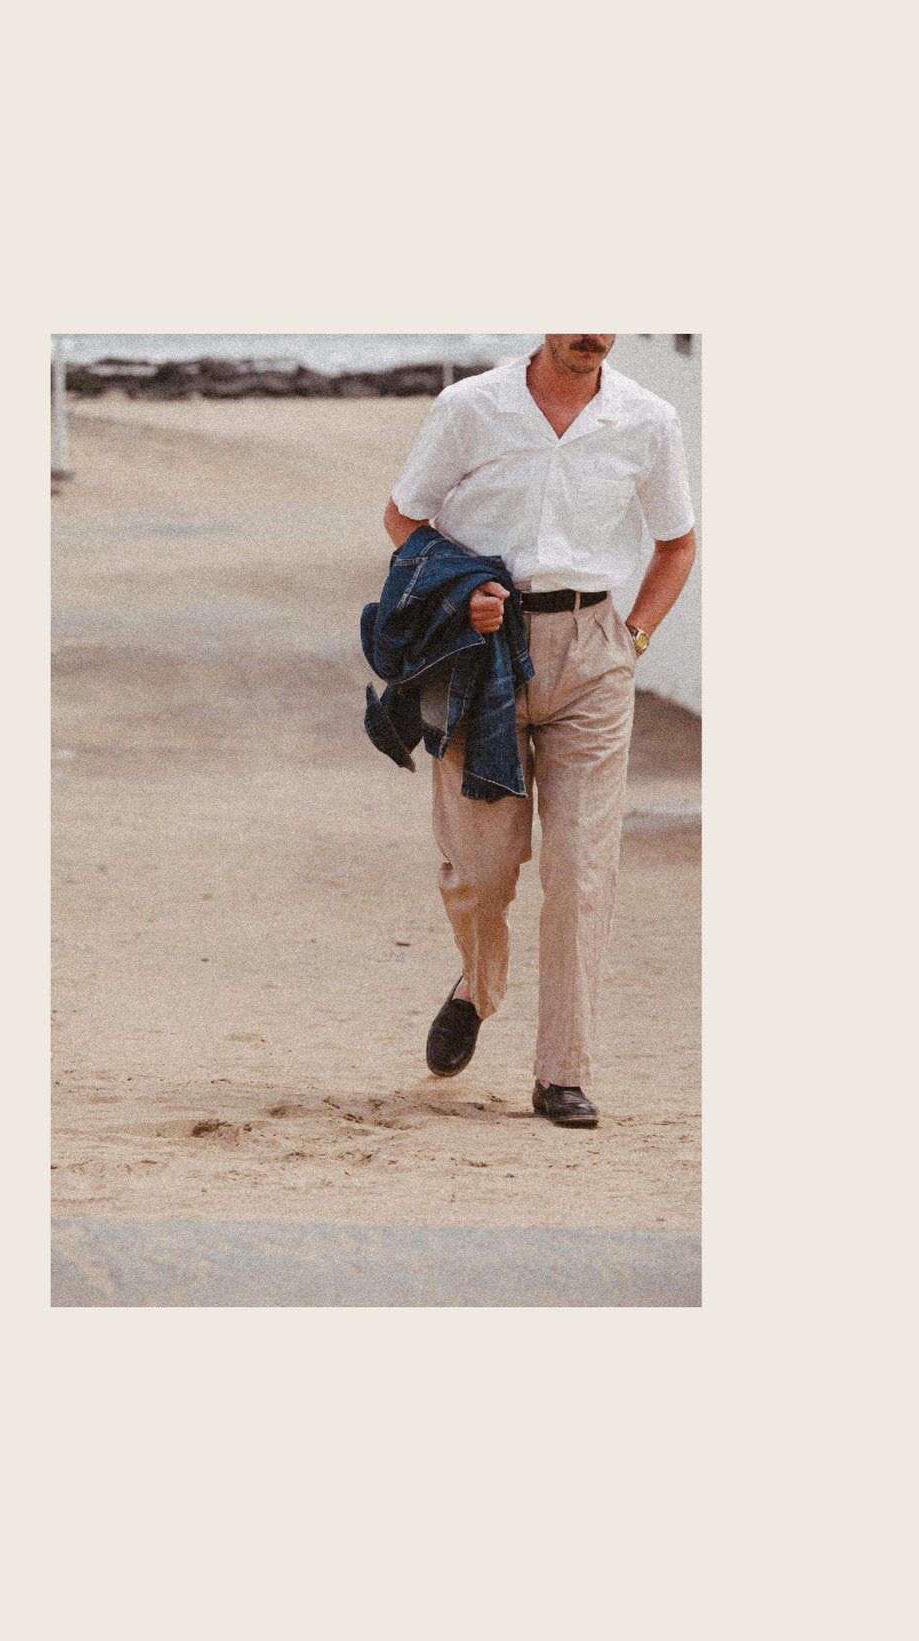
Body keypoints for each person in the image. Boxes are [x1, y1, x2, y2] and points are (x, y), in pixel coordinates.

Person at [383, 335, 697, 1129]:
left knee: (582, 872)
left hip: (593, 656)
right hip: (481, 652)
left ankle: (563, 1071)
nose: (589, 328)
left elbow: (677, 543)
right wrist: (461, 593)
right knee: (481, 871)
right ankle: (478, 985)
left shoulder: (649, 420)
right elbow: (404, 517)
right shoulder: (471, 407)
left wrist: (633, 639)